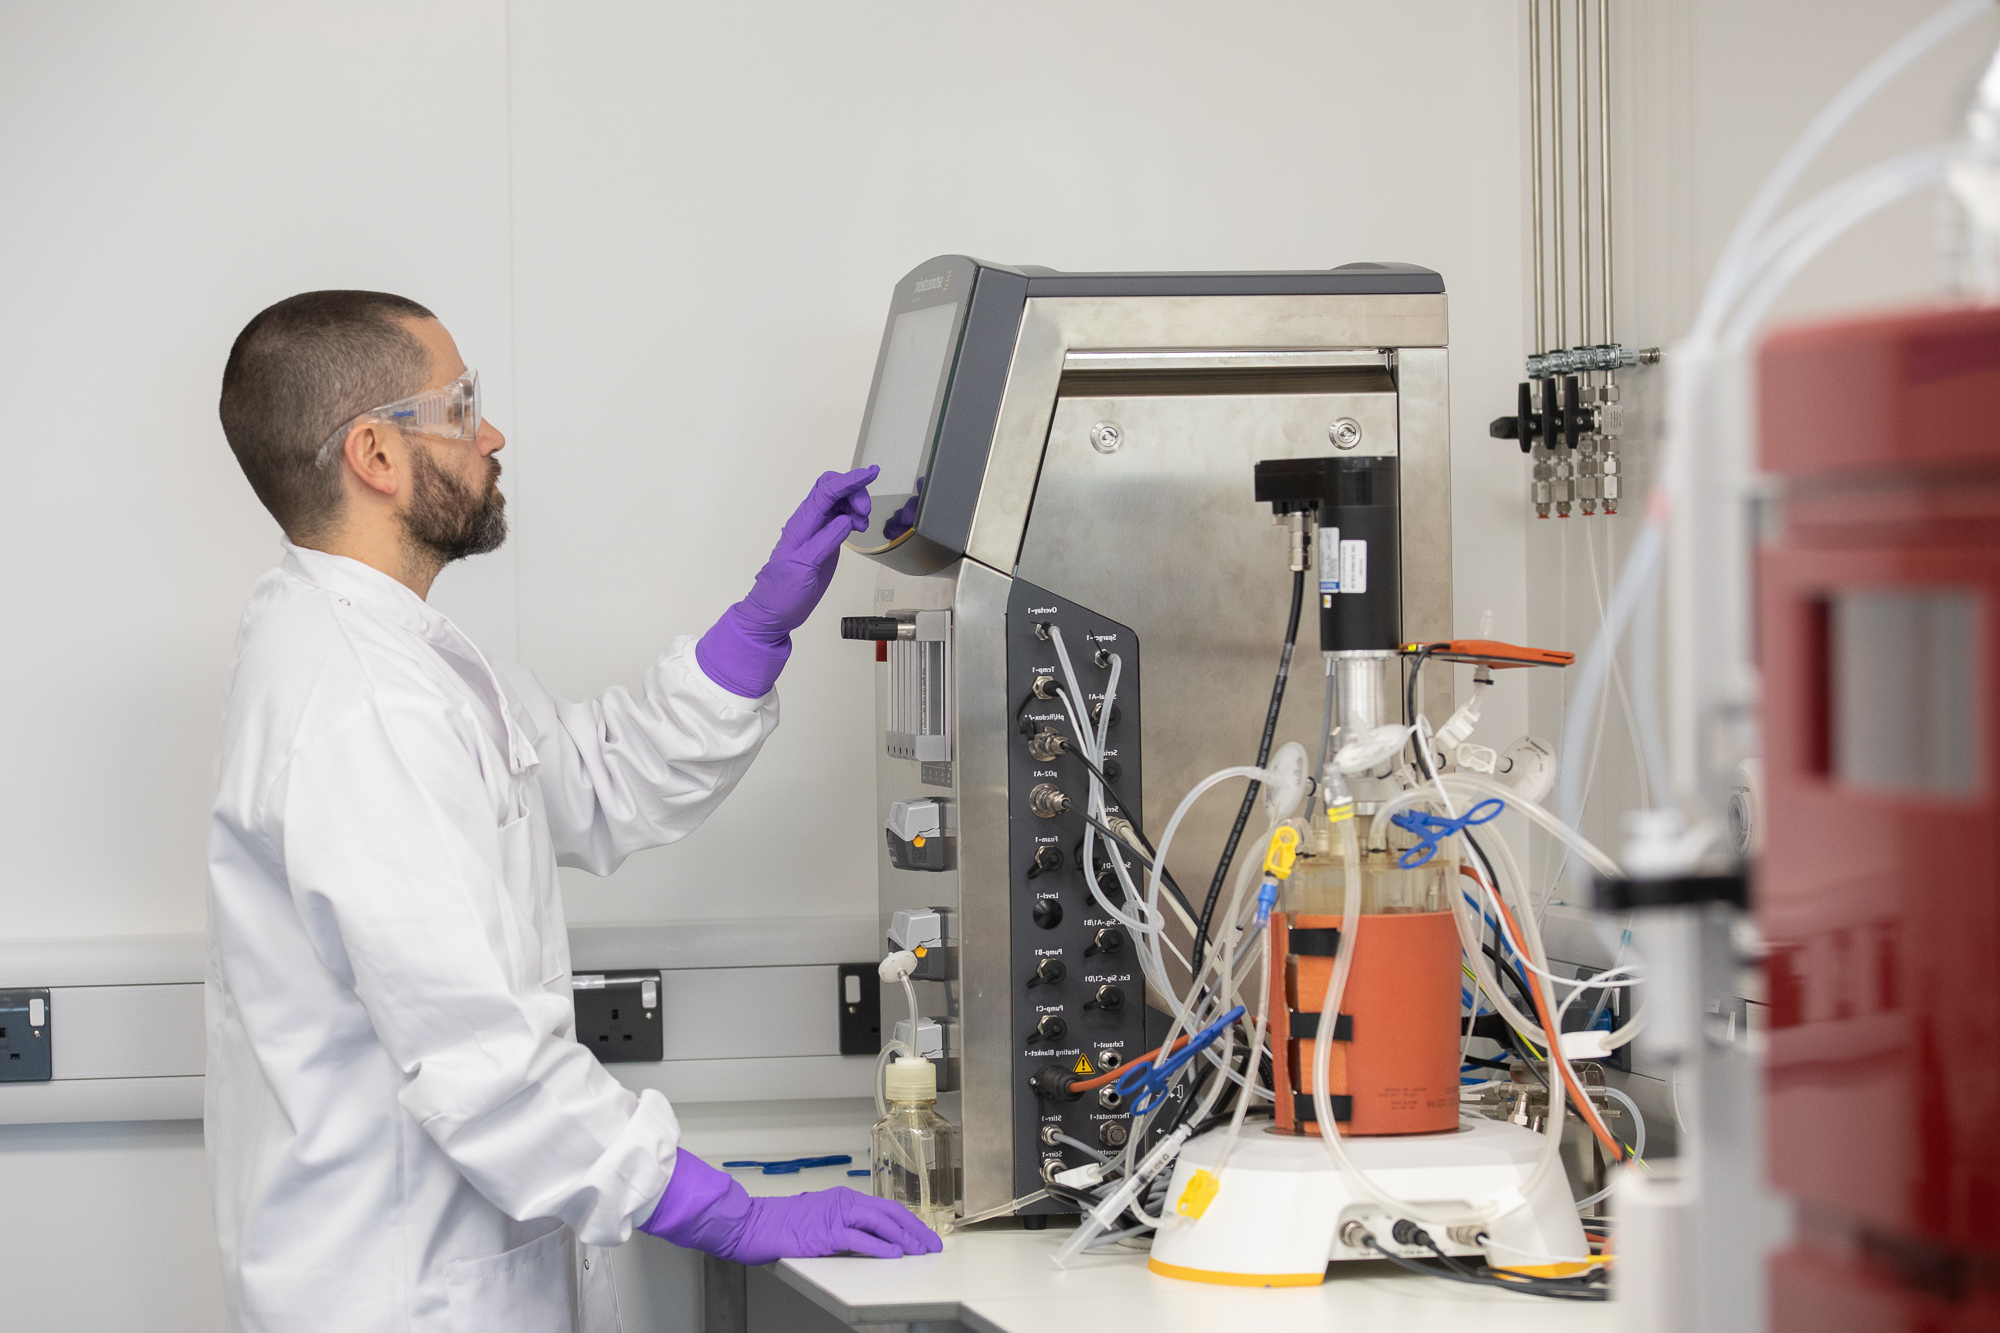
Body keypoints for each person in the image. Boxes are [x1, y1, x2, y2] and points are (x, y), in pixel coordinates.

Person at [207, 290, 937, 1333]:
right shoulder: (361, 705)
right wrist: (728, 1213)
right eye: (461, 407)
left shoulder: (400, 658)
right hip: (397, 1297)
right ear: (375, 453)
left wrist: (757, 625)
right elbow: (482, 1060)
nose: (491, 435)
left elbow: (594, 777)